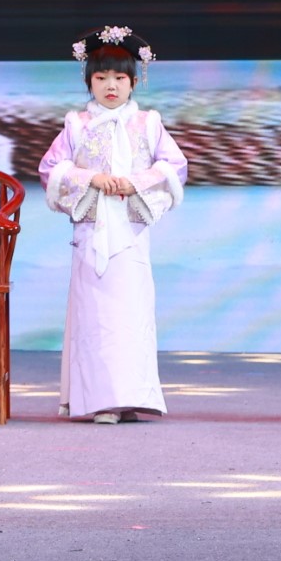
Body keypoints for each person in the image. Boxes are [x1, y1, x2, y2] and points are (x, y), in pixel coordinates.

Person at [38, 26, 186, 424]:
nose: (110, 85)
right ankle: (101, 400)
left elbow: (174, 166)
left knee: (131, 315)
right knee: (96, 317)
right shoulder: (76, 124)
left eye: (120, 77)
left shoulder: (149, 123)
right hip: (93, 230)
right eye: (101, 77)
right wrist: (92, 179)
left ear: (134, 82)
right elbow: (51, 169)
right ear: (89, 82)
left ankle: (130, 397)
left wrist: (136, 182)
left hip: (131, 231)